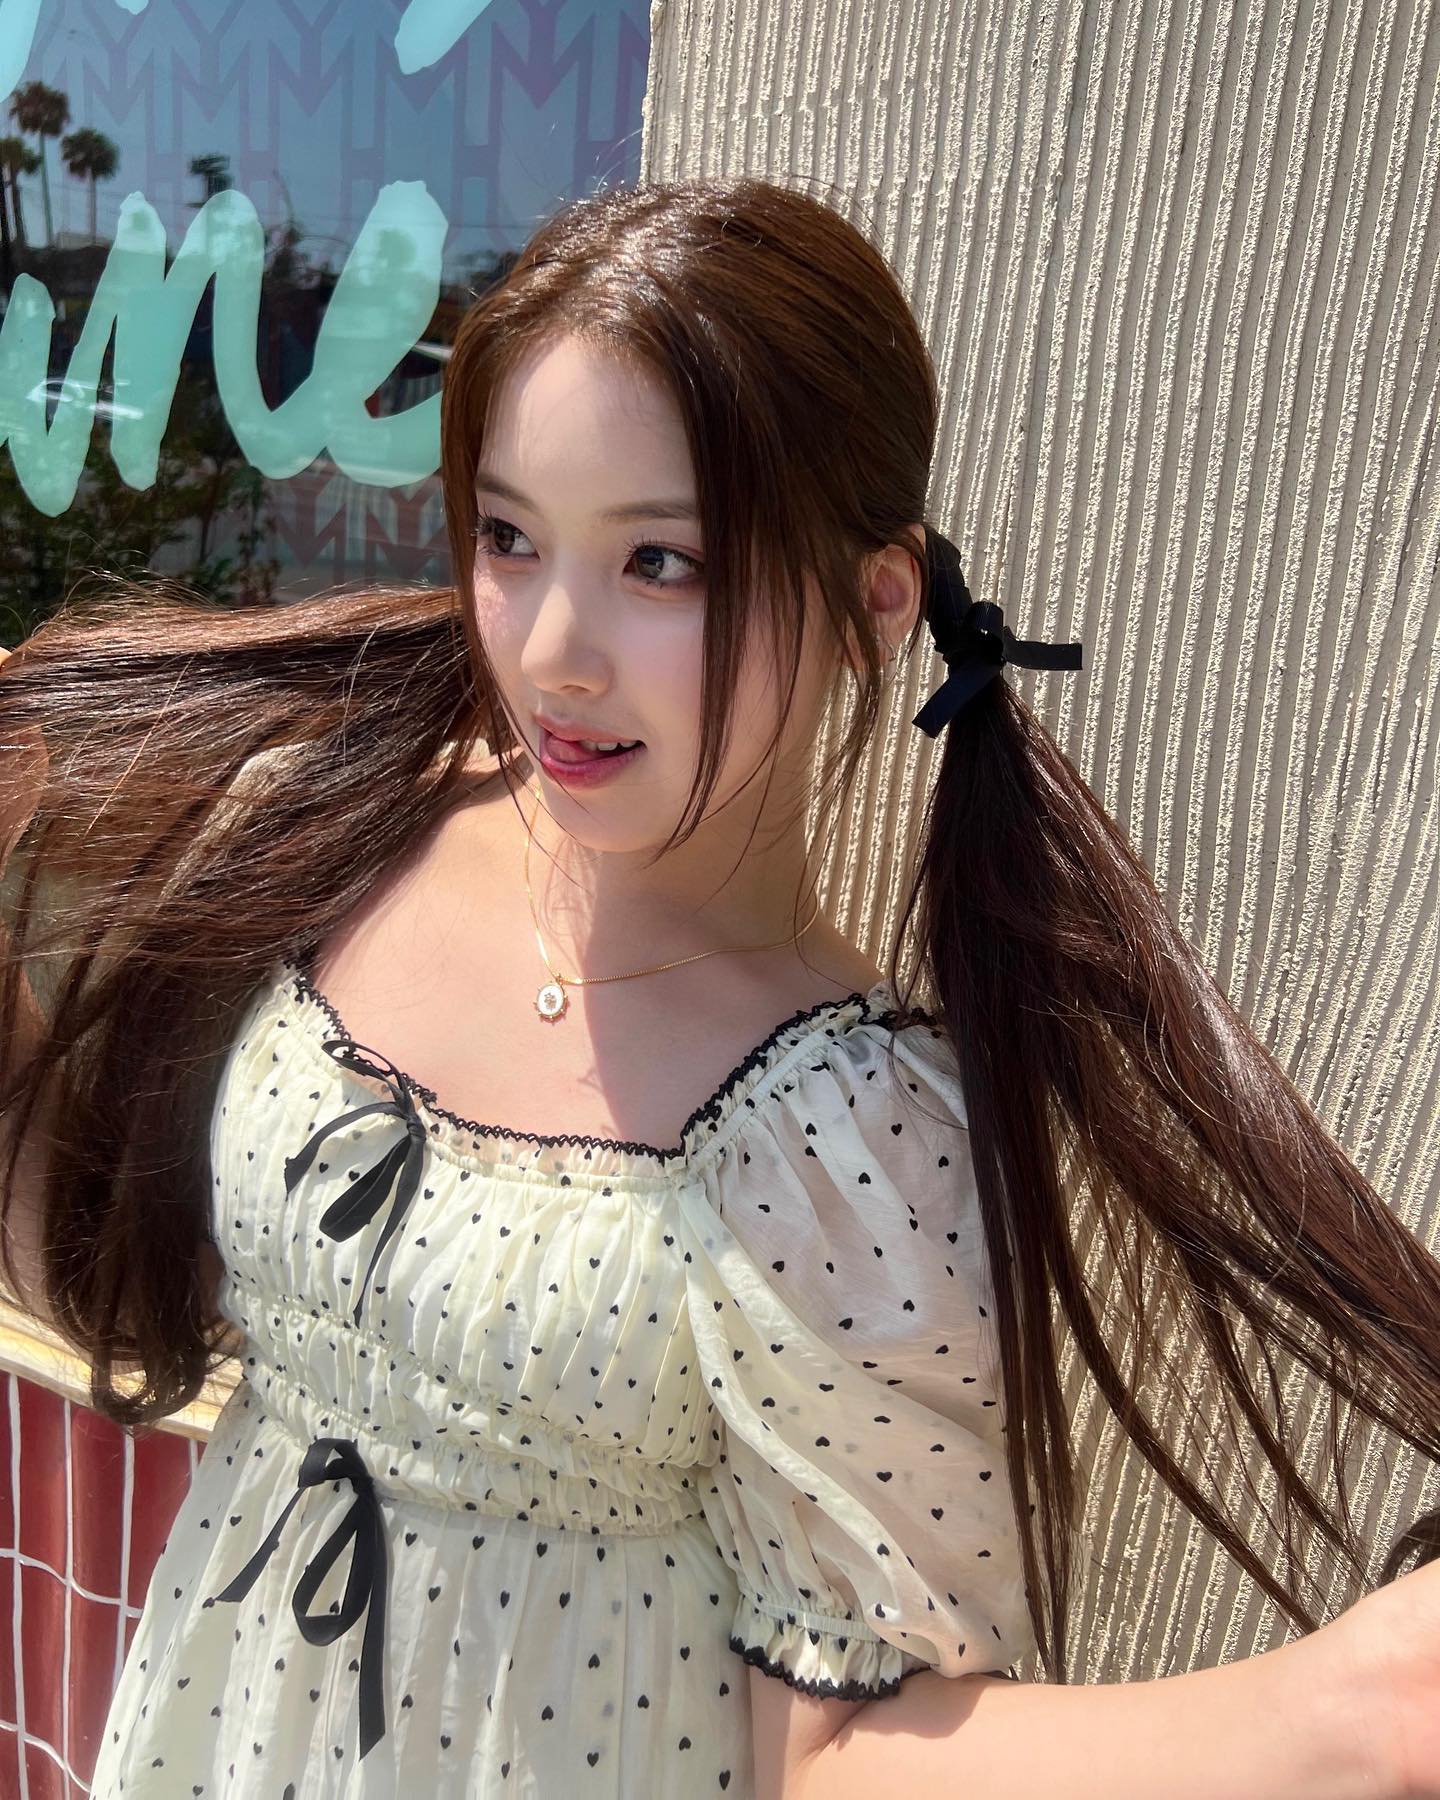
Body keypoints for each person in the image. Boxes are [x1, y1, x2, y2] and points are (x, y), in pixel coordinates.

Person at [1, 175, 1438, 1800]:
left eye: (661, 562)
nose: (555, 647)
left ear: (872, 606)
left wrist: (1353, 1711)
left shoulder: (847, 1142)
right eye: (509, 537)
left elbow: (842, 1750)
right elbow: (125, 1289)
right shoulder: (356, 825)